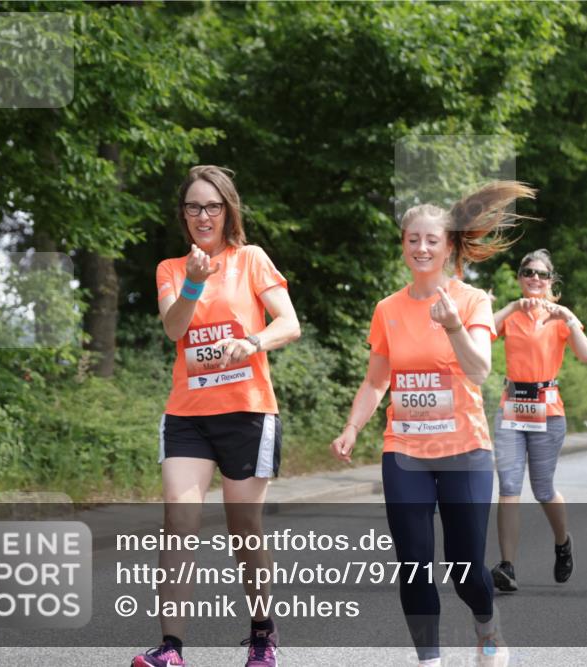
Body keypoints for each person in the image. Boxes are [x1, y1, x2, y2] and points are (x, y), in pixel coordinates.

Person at [331, 181, 536, 667]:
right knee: (414, 566)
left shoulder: (471, 301)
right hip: (404, 450)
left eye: (432, 240)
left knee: (465, 571)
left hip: (465, 449)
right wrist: (353, 427)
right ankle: (429, 659)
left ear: (448, 247)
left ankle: (487, 627)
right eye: (412, 240)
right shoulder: (388, 309)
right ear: (403, 245)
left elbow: (480, 369)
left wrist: (452, 326)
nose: (421, 248)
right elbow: (376, 381)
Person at [134, 166, 301, 667]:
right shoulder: (171, 268)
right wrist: (191, 283)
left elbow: (289, 323)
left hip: (248, 412)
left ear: (228, 210)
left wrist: (251, 342)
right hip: (188, 415)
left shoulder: (250, 259)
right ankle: (171, 649)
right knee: (177, 519)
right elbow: (173, 329)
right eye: (193, 207)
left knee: (243, 528)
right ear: (183, 215)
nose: (202, 216)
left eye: (212, 206)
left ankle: (262, 633)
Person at [488, 249, 587, 594]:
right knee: (508, 488)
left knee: (543, 489)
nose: (535, 278)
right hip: (512, 408)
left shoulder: (560, 317)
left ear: (551, 281)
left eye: (542, 274)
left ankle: (563, 542)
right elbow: (485, 330)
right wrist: (512, 307)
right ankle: (507, 566)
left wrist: (569, 317)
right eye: (528, 272)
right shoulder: (513, 315)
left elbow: (586, 354)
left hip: (548, 411)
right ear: (520, 277)